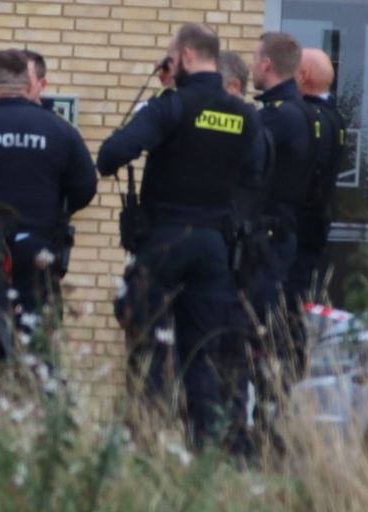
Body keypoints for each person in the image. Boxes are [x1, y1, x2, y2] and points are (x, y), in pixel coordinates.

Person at [96, 23, 260, 450]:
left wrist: (155, 96)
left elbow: (111, 156)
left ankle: (145, 442)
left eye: (170, 56)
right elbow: (254, 177)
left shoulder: (170, 106)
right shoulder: (244, 115)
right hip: (214, 248)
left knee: (147, 344)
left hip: (165, 241)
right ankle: (203, 450)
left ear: (186, 55)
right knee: (203, 353)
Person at [0, 49, 97, 336]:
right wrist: (55, 211)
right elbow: (85, 188)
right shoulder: (61, 131)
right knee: (36, 343)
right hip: (38, 252)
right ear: (29, 84)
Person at [250, 32, 317, 384]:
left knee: (263, 330)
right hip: (281, 232)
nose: (251, 67)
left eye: (254, 60)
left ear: (266, 64)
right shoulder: (299, 110)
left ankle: (268, 406)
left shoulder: (281, 116)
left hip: (270, 237)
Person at [286, 48, 346, 305]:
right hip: (316, 223)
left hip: (301, 226)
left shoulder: (308, 117)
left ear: (303, 75)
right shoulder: (335, 117)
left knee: (290, 299)